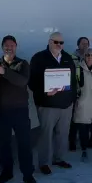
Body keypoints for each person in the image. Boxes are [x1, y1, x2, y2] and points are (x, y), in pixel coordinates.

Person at [0, 35, 37, 183]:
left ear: (16, 47)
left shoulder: (22, 64)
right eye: (6, 45)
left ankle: (28, 175)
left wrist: (5, 72)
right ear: (2, 47)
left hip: (19, 112)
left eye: (12, 45)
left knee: (24, 143)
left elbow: (22, 81)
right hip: (0, 112)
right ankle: (6, 172)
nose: (9, 48)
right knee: (3, 144)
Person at [29, 32, 78, 174]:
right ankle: (44, 162)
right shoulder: (38, 58)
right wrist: (45, 92)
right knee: (46, 135)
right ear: (49, 42)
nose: (59, 45)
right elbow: (32, 82)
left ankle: (59, 158)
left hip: (66, 104)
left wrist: (72, 99)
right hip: (47, 105)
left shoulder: (67, 57)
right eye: (56, 42)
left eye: (61, 43)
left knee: (63, 134)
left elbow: (73, 81)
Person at [68, 36, 92, 151]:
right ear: (78, 45)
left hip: (87, 92)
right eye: (83, 43)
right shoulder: (71, 58)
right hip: (75, 93)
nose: (85, 46)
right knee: (74, 119)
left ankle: (84, 141)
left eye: (87, 44)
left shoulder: (91, 57)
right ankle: (72, 142)